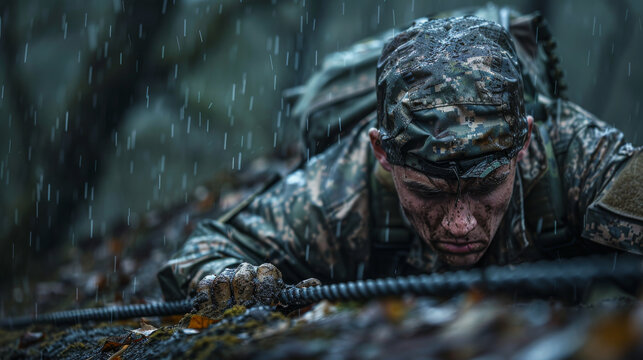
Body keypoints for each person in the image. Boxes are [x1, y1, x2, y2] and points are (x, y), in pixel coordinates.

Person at [157, 15, 642, 311]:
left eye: (486, 184)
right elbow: (203, 255)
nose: (460, 223)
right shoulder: (335, 195)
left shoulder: (574, 152)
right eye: (429, 190)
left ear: (525, 143)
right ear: (382, 154)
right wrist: (235, 284)